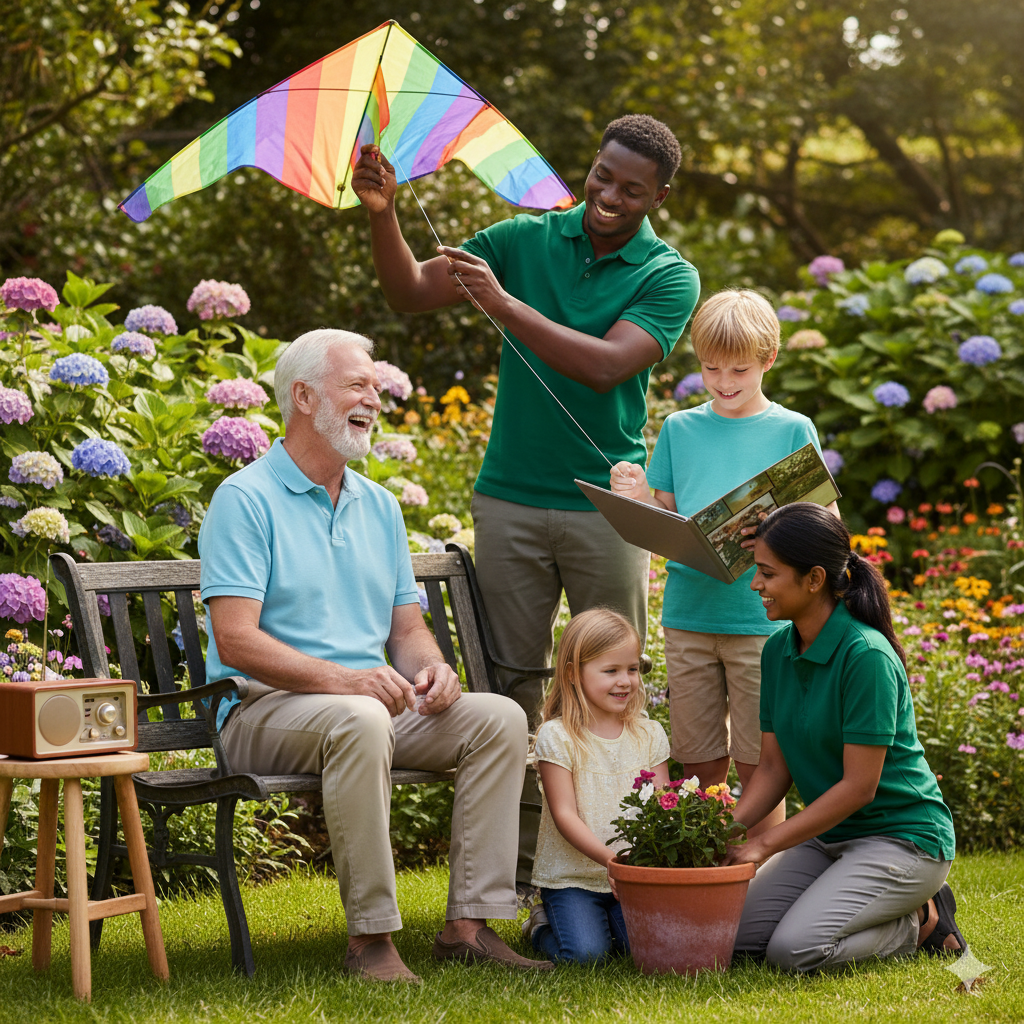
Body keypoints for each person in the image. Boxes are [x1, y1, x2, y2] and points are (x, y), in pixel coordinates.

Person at [198, 329, 552, 983]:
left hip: (363, 704)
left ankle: (467, 930)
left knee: (498, 719)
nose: (375, 397)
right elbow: (236, 640)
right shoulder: (244, 500)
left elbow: (407, 628)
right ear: (303, 396)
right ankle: (371, 940)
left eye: (375, 386)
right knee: (358, 719)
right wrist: (341, 680)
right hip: (262, 712)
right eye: (357, 385)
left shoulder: (379, 505)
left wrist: (431, 668)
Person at [351, 114, 700, 724]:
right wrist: (383, 213)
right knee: (511, 681)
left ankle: (606, 820)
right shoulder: (520, 239)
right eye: (603, 175)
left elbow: (608, 365)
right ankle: (523, 819)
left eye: (632, 190)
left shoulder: (668, 275)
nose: (610, 196)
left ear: (659, 197)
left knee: (614, 675)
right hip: (509, 497)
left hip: (606, 506)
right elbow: (408, 292)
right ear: (592, 165)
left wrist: (504, 304)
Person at [610, 290, 839, 836]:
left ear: (769, 360)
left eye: (739, 368)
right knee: (698, 755)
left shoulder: (790, 429)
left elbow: (828, 520)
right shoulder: (681, 429)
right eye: (711, 368)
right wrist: (637, 491)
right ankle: (708, 861)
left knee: (762, 759)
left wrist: (775, 532)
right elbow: (664, 512)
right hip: (690, 614)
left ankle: (760, 872)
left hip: (762, 620)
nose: (723, 380)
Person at [721, 502, 964, 972]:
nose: (756, 585)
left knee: (792, 952)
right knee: (732, 938)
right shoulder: (777, 650)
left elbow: (859, 787)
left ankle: (923, 921)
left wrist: (764, 845)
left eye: (768, 574)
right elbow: (773, 767)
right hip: (828, 838)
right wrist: (726, 829)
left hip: (903, 838)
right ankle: (874, 903)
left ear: (814, 579)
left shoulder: (866, 656)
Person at [522, 608, 669, 963]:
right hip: (572, 878)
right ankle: (540, 927)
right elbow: (565, 815)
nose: (626, 681)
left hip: (633, 876)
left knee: (646, 951)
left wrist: (643, 868)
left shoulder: (648, 733)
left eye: (632, 669)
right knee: (587, 956)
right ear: (574, 674)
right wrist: (610, 861)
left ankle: (601, 923)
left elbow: (664, 804)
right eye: (611, 671)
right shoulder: (558, 737)